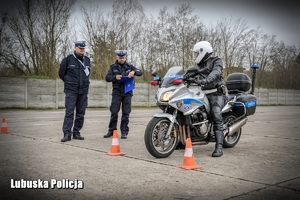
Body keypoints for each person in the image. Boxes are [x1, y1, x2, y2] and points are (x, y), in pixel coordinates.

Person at [190, 41, 226, 157]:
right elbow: (187, 74)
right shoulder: (198, 65)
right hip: (202, 94)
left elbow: (216, 72)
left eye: (196, 53)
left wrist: (206, 80)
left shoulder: (216, 61)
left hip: (216, 94)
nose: (195, 56)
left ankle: (219, 147)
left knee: (216, 114)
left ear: (203, 52)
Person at [103, 50, 143, 139]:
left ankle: (124, 132)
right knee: (114, 111)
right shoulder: (113, 67)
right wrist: (115, 77)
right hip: (117, 92)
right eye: (120, 58)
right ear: (117, 57)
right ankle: (111, 130)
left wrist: (134, 72)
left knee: (126, 112)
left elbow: (140, 72)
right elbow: (107, 78)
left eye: (123, 58)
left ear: (125, 57)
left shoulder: (130, 66)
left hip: (127, 92)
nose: (122, 59)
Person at [58, 41, 91, 142]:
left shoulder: (87, 60)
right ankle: (67, 134)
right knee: (69, 112)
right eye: (80, 48)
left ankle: (76, 132)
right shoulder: (68, 59)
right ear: (75, 48)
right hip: (71, 90)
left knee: (81, 112)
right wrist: (69, 82)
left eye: (83, 48)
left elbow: (88, 74)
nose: (82, 50)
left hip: (83, 90)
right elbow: (61, 74)